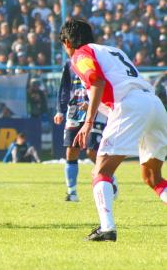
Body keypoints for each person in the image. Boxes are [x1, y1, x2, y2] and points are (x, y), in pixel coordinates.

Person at [59, 18, 166, 242]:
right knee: (152, 177)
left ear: (68, 42)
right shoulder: (111, 49)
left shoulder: (80, 55)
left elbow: (96, 81)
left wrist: (88, 123)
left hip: (129, 106)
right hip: (153, 104)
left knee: (100, 172)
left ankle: (107, 228)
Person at [54, 60, 114, 202]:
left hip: (96, 110)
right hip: (74, 110)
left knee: (92, 151)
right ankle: (72, 192)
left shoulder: (98, 61)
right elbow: (64, 88)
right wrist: (60, 110)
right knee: (71, 151)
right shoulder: (69, 64)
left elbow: (104, 85)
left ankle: (109, 178)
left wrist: (93, 102)